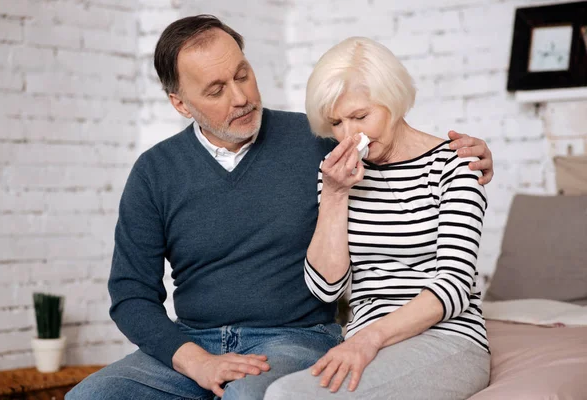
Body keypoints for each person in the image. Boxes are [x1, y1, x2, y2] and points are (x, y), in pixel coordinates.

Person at [67, 16, 494, 400]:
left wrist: (470, 156)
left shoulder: (319, 141)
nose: (240, 97)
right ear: (181, 104)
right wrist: (193, 359)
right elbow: (131, 296)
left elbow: (396, 150)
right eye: (216, 90)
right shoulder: (154, 172)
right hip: (192, 343)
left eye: (243, 75)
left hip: (292, 339)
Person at [264, 36, 491, 400]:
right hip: (366, 341)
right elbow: (325, 288)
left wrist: (370, 339)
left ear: (394, 101)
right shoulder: (337, 175)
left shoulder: (455, 165)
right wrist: (335, 195)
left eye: (360, 116)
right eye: (336, 122)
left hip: (446, 338)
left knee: (289, 396)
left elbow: (454, 286)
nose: (349, 134)